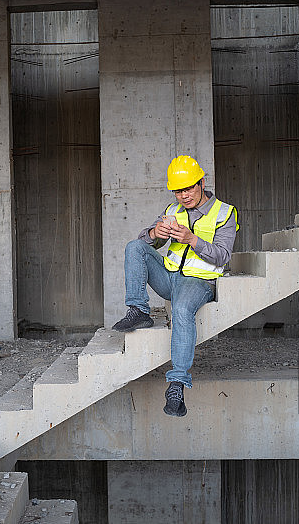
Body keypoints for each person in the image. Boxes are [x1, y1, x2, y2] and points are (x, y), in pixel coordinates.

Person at [112, 155, 239, 417]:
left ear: (201, 183)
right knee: (135, 247)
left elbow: (223, 256)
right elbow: (146, 243)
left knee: (181, 310)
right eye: (178, 191)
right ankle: (139, 311)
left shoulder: (225, 212)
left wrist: (192, 239)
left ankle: (177, 384)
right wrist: (154, 234)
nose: (184, 195)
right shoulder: (173, 210)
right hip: (169, 278)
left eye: (188, 188)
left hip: (199, 281)